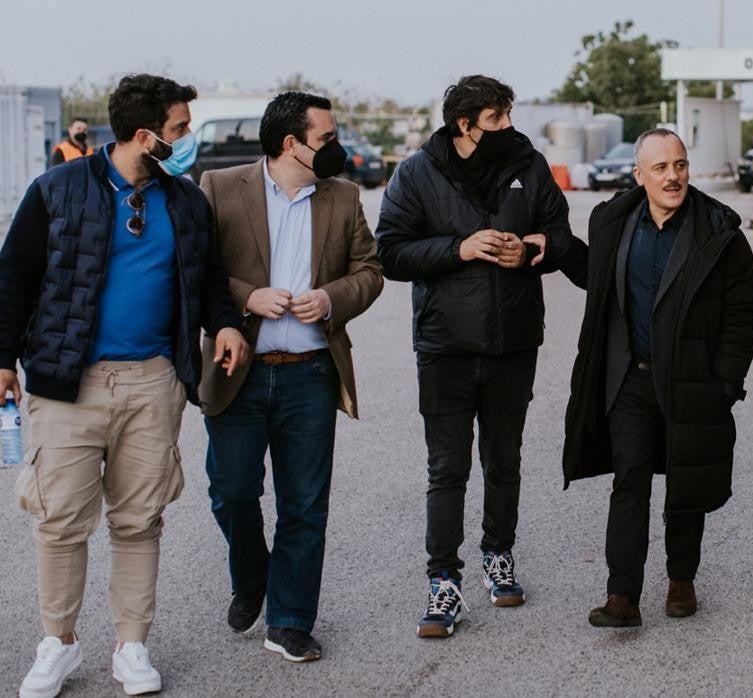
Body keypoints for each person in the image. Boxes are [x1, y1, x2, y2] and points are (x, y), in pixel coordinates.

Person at [0, 74, 248, 698]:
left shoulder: (186, 202)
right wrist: (3, 358)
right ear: (146, 135)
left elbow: (211, 279)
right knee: (59, 521)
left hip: (153, 382)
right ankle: (57, 643)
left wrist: (222, 324)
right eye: (180, 129)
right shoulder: (55, 190)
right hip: (66, 384)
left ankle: (131, 646)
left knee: (139, 521)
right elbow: (15, 277)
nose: (186, 138)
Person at [375, 74, 584, 639]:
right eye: (496, 118)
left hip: (514, 343)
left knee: (504, 461)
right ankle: (443, 581)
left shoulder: (530, 164)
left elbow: (561, 236)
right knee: (447, 470)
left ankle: (499, 558)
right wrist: (459, 248)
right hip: (443, 347)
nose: (508, 127)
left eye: (509, 115)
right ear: (464, 126)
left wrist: (535, 249)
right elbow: (389, 251)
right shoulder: (418, 172)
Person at [197, 91, 384, 663]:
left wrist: (330, 298)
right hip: (239, 371)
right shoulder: (220, 189)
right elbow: (201, 271)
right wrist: (247, 296)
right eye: (326, 138)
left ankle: (290, 620)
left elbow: (370, 272)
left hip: (310, 375)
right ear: (291, 144)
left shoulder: (345, 197)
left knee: (304, 505)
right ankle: (253, 577)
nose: (337, 147)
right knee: (231, 493)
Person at [563, 128, 753, 627]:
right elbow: (596, 280)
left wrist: (725, 385)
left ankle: (681, 579)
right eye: (660, 168)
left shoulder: (719, 233)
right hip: (631, 378)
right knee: (629, 480)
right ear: (639, 175)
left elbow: (743, 316)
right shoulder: (613, 222)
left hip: (692, 380)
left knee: (685, 481)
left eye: (680, 164)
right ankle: (622, 595)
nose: (673, 176)